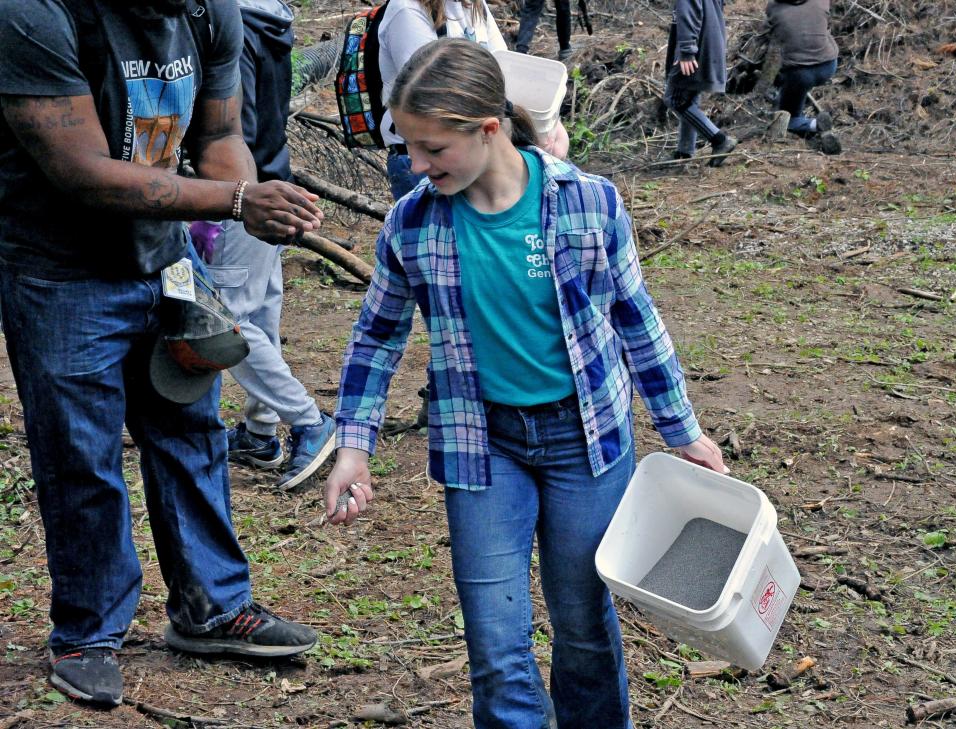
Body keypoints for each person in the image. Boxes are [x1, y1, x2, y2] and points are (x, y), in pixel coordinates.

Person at [324, 38, 728, 729]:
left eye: (431, 149)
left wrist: (682, 428)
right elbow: (377, 337)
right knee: (495, 643)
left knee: (582, 627)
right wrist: (353, 446)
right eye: (410, 148)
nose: (416, 165)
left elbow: (635, 318)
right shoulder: (414, 223)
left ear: (487, 129)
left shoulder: (586, 203)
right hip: (485, 448)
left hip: (586, 441)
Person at [0, 0, 322, 708]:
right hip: (61, 272)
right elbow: (81, 169)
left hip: (165, 259)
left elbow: (221, 132)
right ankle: (87, 631)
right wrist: (236, 202)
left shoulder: (209, 11)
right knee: (80, 451)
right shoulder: (33, 13)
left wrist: (244, 190)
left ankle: (211, 607)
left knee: (190, 429)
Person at [196, 0, 336, 490]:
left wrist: (217, 193)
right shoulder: (271, 21)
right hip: (273, 183)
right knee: (258, 317)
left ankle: (310, 422)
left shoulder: (228, 28)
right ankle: (259, 434)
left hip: (245, 195)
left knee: (226, 320)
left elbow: (239, 128)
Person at [378, 0, 569, 202]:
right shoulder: (406, 11)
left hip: (472, 155)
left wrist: (548, 124)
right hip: (431, 158)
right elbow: (435, 99)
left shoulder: (474, 5)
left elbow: (504, 73)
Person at [664, 0, 738, 165]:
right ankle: (684, 152)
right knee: (689, 97)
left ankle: (720, 140)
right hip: (709, 41)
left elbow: (688, 12)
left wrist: (687, 50)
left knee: (675, 98)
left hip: (697, 47)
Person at [765, 0, 838, 136]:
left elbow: (768, 35)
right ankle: (796, 100)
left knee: (788, 118)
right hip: (828, 65)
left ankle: (814, 125)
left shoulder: (773, 7)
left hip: (799, 74)